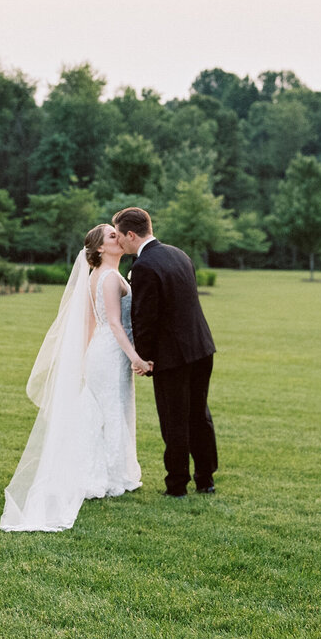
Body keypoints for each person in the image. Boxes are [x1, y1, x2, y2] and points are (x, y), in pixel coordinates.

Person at [0, 223, 151, 532]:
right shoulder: (108, 278)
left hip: (104, 353)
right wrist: (135, 356)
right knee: (110, 411)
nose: (118, 238)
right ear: (99, 249)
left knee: (107, 412)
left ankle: (112, 472)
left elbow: (90, 323)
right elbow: (112, 323)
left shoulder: (104, 275)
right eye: (112, 236)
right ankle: (108, 477)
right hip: (110, 354)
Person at [113, 206, 218, 497]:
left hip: (173, 356)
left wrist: (144, 358)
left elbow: (145, 317)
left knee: (174, 418)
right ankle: (206, 479)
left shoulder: (143, 266)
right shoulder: (178, 253)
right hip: (201, 347)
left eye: (120, 236)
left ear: (131, 234)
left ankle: (176, 485)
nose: (119, 242)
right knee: (199, 414)